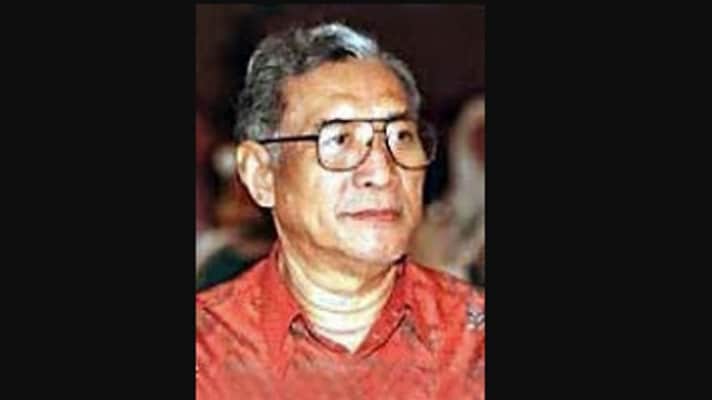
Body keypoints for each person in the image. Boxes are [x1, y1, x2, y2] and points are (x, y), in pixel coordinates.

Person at [196, 22, 484, 399]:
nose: (381, 172)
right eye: (339, 139)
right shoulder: (206, 350)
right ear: (261, 174)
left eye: (400, 136)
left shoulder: (474, 341)